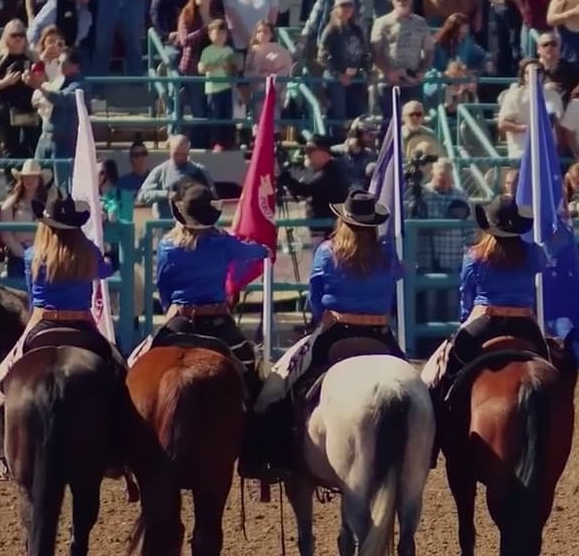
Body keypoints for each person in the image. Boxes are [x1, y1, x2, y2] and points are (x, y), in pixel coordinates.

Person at [254, 190, 406, 476]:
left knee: (280, 384)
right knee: (416, 385)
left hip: (335, 332)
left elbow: (316, 296)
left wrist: (318, 318)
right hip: (379, 333)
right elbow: (398, 275)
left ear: (343, 221)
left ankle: (276, 454)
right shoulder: (386, 252)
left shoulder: (326, 251)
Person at [0, 190, 120, 480]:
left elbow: (34, 297)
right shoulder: (88, 252)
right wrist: (112, 254)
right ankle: (116, 453)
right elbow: (106, 270)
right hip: (83, 326)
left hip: (43, 325)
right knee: (119, 375)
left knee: (3, 384)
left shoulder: (31, 255)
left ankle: (3, 456)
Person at [151, 180, 270, 477]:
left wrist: (171, 307)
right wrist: (265, 238)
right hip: (216, 320)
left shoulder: (167, 245)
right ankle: (256, 444)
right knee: (252, 370)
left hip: (180, 317)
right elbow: (259, 253)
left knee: (142, 365)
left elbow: (162, 285)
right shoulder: (223, 242)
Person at [429, 195, 549, 401]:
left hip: (486, 323)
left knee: (451, 366)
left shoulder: (474, 257)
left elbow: (466, 295)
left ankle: (447, 405)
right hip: (524, 324)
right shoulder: (532, 253)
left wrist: (465, 320)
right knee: (548, 363)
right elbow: (542, 263)